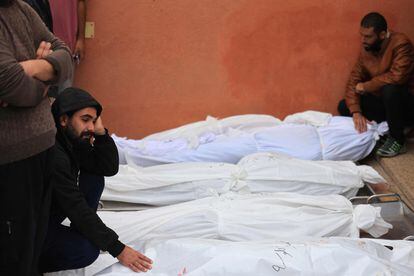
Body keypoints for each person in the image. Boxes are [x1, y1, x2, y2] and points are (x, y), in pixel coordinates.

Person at [39, 87, 152, 273]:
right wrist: (118, 248)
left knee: (94, 174)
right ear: (63, 119)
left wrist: (100, 133)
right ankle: (28, 266)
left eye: (94, 121)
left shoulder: (72, 141)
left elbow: (107, 167)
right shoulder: (53, 154)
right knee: (85, 250)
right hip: (25, 231)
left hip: (46, 219)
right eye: (85, 120)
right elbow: (75, 206)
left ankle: (82, 231)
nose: (90, 127)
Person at [0, 0, 73, 275]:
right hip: (11, 157)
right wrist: (47, 77)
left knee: (34, 246)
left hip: (44, 146)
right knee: (12, 253)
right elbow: (8, 82)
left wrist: (30, 68)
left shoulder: (21, 8)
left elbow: (65, 55)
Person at [338, 12, 414, 157]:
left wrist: (366, 86)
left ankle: (398, 140)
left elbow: (397, 77)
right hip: (385, 104)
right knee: (344, 105)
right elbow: (354, 79)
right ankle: (382, 132)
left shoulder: (401, 43)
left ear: (382, 34)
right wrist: (356, 111)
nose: (363, 40)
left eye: (368, 36)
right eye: (362, 35)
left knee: (390, 89)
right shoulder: (367, 49)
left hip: (406, 104)